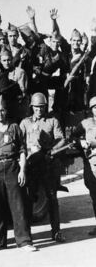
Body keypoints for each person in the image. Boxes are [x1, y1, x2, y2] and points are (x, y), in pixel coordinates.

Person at [0, 96, 37, 252]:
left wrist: (22, 170)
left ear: (6, 111)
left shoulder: (14, 128)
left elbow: (22, 150)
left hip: (12, 168)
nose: (0, 113)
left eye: (3, 110)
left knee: (18, 205)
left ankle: (24, 241)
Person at [19, 92, 66, 242]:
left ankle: (56, 232)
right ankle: (28, 235)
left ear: (45, 107)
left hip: (47, 165)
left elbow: (61, 139)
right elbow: (19, 141)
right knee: (28, 200)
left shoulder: (52, 121)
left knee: (52, 198)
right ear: (31, 107)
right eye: (36, 107)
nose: (39, 110)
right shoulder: (25, 123)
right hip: (31, 166)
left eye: (41, 107)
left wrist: (51, 151)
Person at [72, 96, 96, 235]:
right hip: (92, 164)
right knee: (94, 196)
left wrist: (92, 143)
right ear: (91, 109)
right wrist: (80, 142)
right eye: (95, 107)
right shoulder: (86, 123)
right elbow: (73, 137)